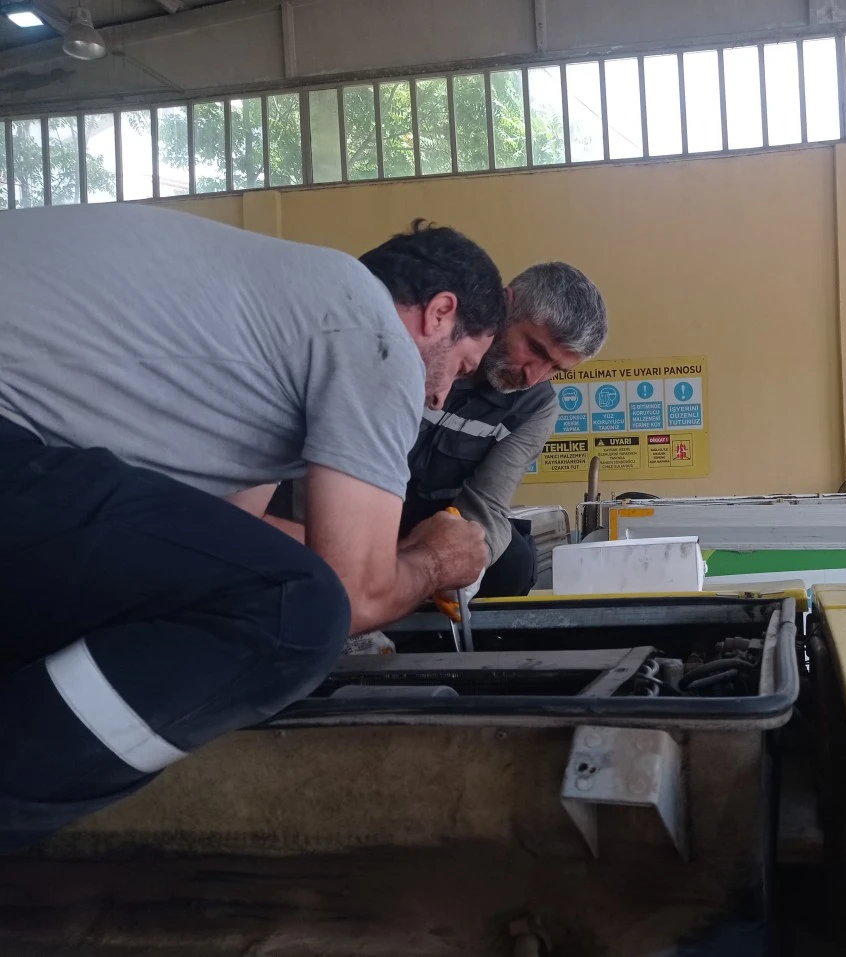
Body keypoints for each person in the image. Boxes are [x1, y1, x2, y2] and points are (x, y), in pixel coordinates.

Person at [0, 205, 502, 850]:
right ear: (439, 313)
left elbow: (224, 544)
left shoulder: (279, 317)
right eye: (461, 367)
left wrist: (387, 554)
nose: (439, 399)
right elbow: (352, 594)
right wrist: (433, 561)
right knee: (299, 612)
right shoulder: (372, 332)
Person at [268, 262, 608, 598]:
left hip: (430, 524)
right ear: (506, 305)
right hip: (342, 499)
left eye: (556, 369)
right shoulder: (418, 345)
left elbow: (487, 503)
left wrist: (461, 565)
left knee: (514, 563)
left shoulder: (536, 406)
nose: (534, 377)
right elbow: (328, 455)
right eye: (534, 349)